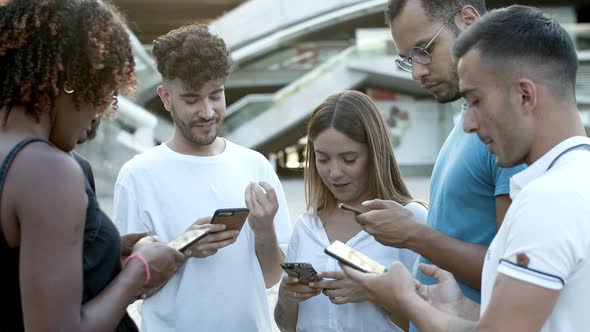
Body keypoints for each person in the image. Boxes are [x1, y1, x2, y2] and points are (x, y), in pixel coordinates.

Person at [344, 5, 590, 331]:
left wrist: (406, 300)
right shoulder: (574, 180)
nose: (469, 123)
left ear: (524, 95)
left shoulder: (547, 200)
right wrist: (461, 309)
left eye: (475, 101)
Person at [0, 1, 185, 331]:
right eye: (107, 92)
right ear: (72, 79)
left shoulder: (15, 156)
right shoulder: (47, 170)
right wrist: (140, 272)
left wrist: (107, 246)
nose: (102, 114)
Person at [113, 24, 292, 331]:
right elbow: (126, 288)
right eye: (192, 99)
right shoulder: (137, 176)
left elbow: (271, 277)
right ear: (166, 98)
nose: (207, 112)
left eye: (216, 95)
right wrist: (183, 248)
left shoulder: (255, 165)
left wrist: (263, 230)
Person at [355, 0, 526, 312]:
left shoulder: (509, 129)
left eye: (424, 50)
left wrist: (414, 235)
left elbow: (513, 274)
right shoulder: (467, 120)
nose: (417, 72)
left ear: (469, 21)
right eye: (409, 59)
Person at [274, 90, 428, 332]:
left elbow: (434, 320)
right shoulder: (307, 225)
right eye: (322, 159)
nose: (334, 172)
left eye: (348, 159)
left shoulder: (411, 220)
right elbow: (286, 326)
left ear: (375, 154)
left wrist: (376, 291)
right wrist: (286, 296)